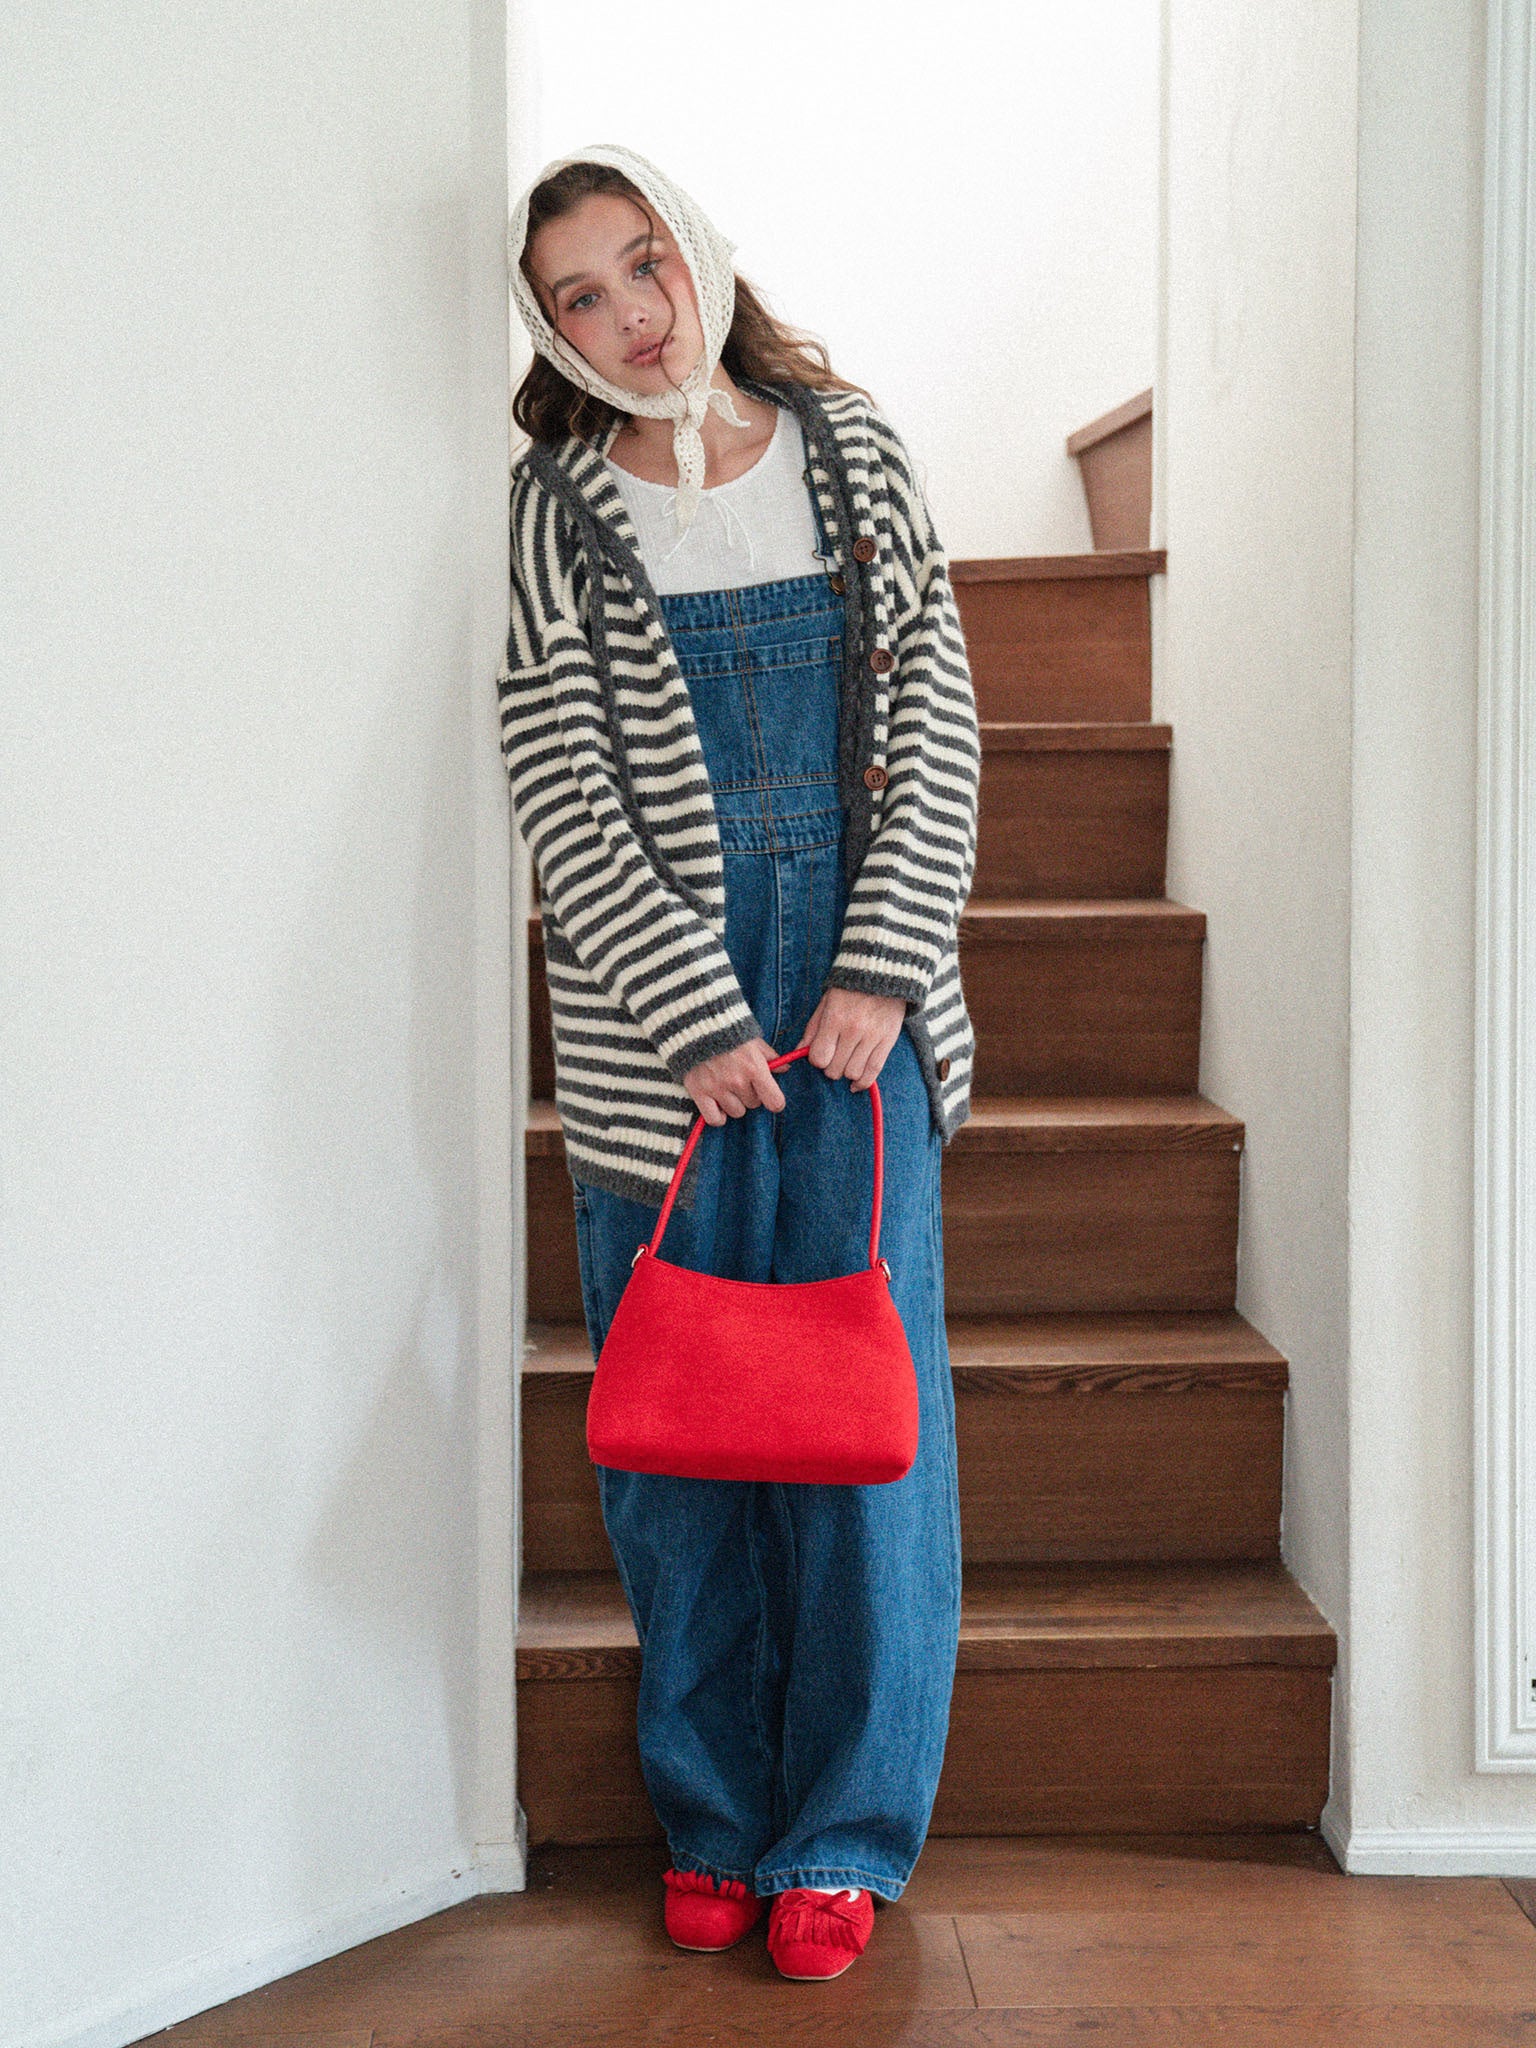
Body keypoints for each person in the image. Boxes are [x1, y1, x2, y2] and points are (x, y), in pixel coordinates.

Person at [500, 142, 981, 1982]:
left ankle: (843, 1835)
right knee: (681, 1445)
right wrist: (689, 1014)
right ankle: (712, 1812)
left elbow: (939, 716)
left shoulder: (851, 451)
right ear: (553, 331)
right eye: (582, 294)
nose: (633, 312)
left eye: (645, 263)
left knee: (863, 1437)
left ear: (698, 253)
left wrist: (881, 972)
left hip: (858, 1020)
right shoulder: (554, 507)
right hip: (663, 1046)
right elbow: (559, 777)